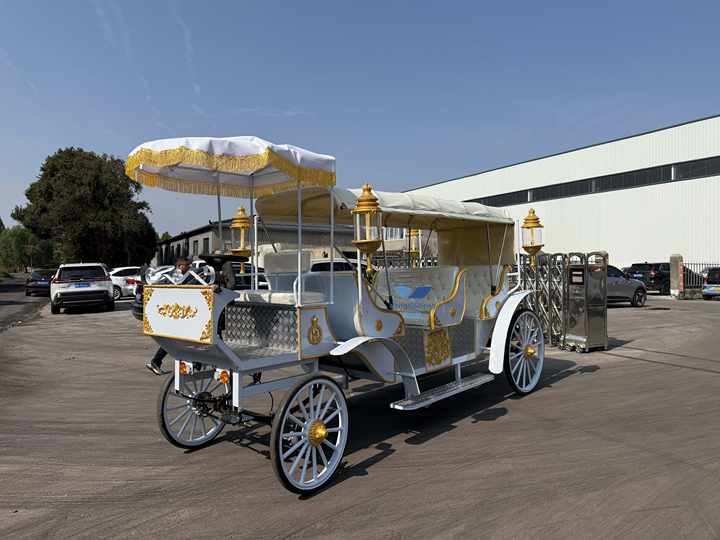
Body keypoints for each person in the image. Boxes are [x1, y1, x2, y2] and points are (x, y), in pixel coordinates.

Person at [145, 257, 191, 375]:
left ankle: (156, 362)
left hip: (176, 312)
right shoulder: (175, 276)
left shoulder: (181, 276)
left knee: (173, 340)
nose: (188, 267)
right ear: (180, 266)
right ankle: (156, 361)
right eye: (186, 265)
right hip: (174, 312)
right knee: (174, 340)